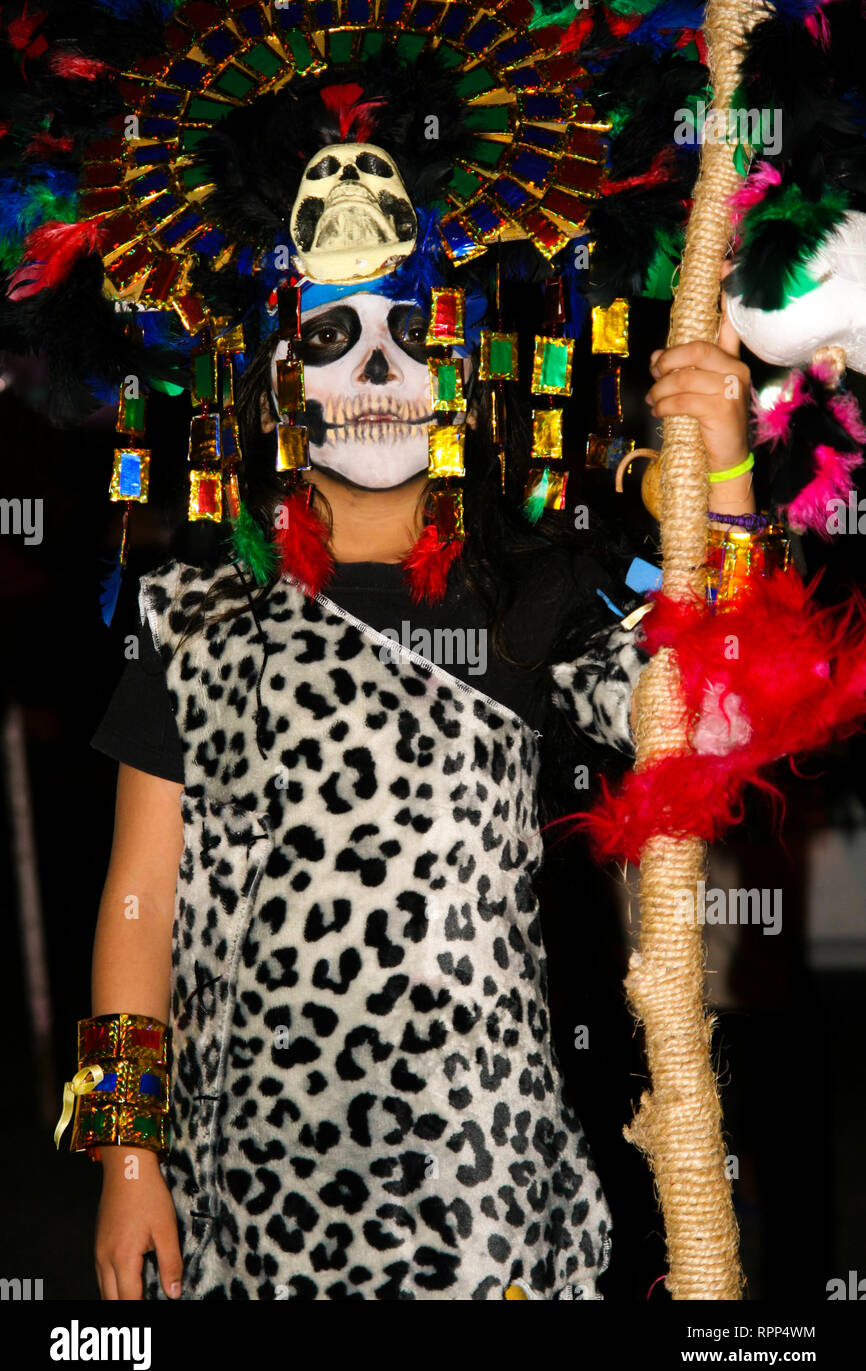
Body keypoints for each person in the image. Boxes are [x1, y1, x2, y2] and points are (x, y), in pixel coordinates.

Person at [85, 269, 755, 1300]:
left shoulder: (526, 596)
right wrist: (125, 1160)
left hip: (478, 1176)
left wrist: (724, 474)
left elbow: (717, 720)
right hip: (247, 1181)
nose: (377, 369)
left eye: (412, 329)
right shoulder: (196, 615)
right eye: (329, 339)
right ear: (274, 379)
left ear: (456, 369)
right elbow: (137, 900)